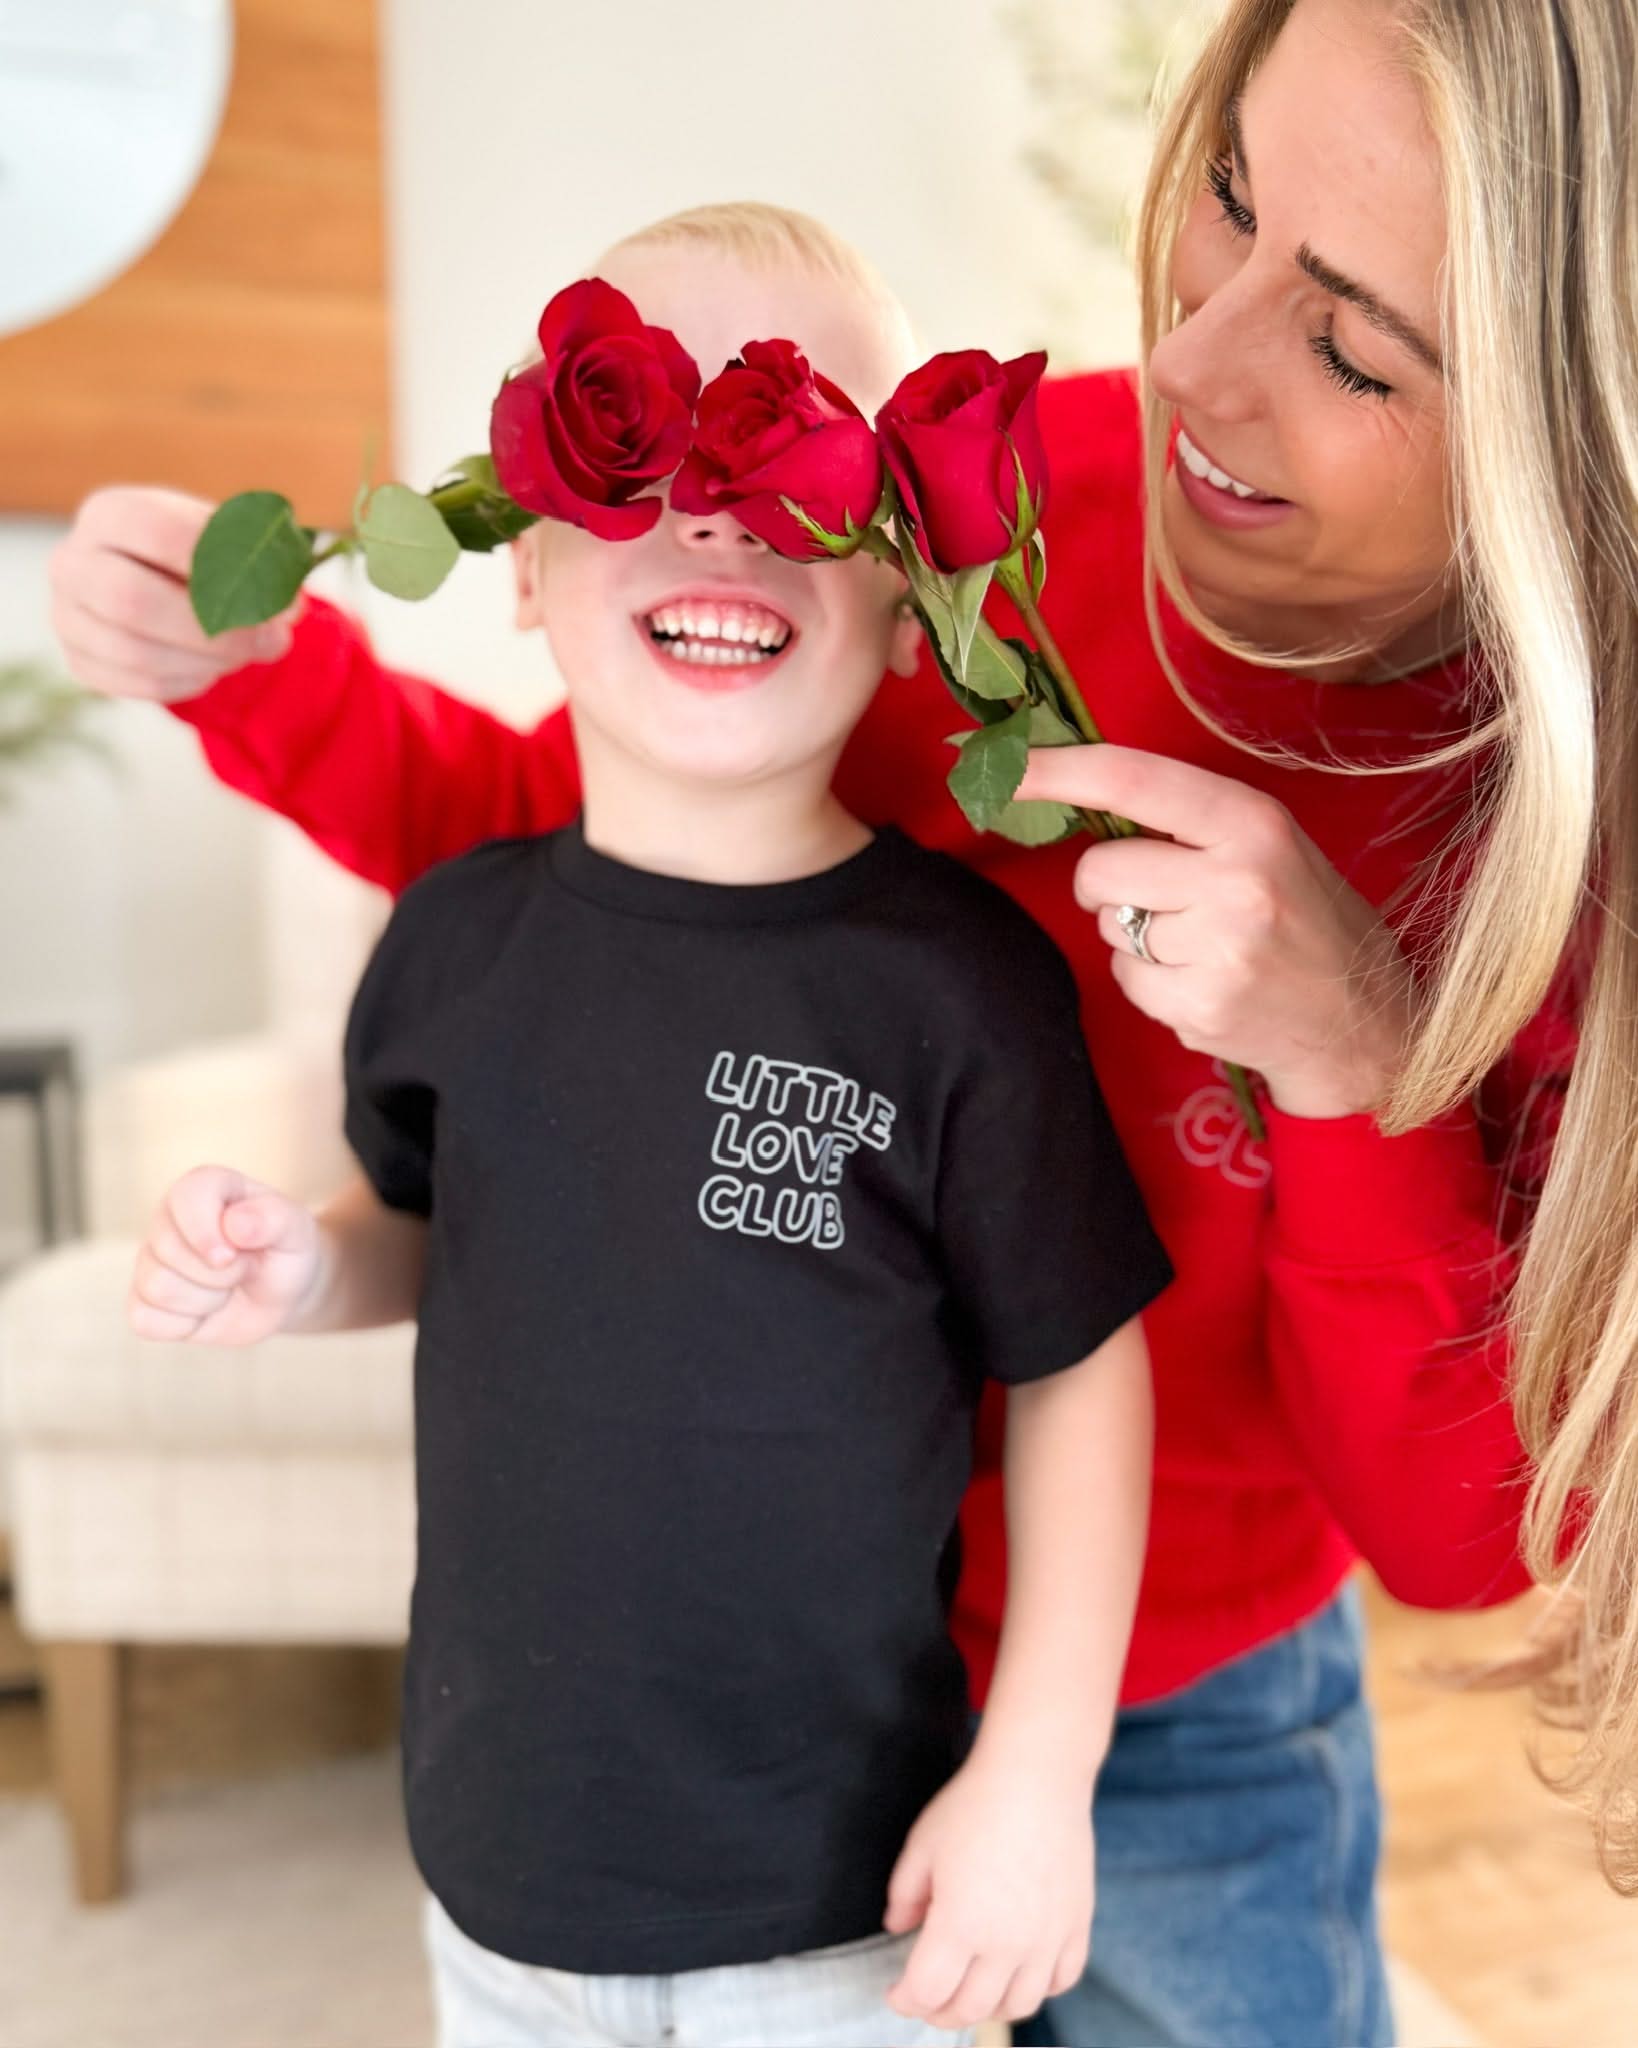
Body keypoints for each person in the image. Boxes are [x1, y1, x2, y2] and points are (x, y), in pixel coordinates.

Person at [54, 0, 1638, 2037]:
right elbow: (571, 871)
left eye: (1348, 343)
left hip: (1175, 1703)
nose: (1185, 366)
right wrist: (257, 675)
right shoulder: (996, 503)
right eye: (1227, 192)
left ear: (1566, 429)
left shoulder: (1557, 835)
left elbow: (1453, 1530)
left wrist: (1348, 1070)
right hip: (758, 1684)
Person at [124, 236, 1175, 2048]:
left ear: (913, 589)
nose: (721, 528)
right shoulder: (453, 938)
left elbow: (1083, 1369)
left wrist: (1037, 1776)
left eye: (792, 479)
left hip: (846, 1907)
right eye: (649, 475)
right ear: (526, 561)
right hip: (502, 1872)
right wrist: (304, 1265)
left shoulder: (955, 991)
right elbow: (424, 1224)